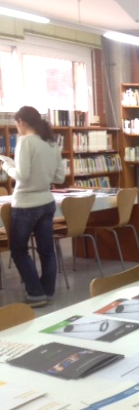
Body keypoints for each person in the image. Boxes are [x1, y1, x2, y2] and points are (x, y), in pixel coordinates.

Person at [2, 106, 65, 307]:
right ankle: (47, 292)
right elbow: (59, 176)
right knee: (46, 251)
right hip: (47, 202)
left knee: (19, 250)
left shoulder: (25, 141)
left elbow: (22, 175)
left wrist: (6, 165)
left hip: (26, 204)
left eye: (16, 124)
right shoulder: (50, 142)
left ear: (21, 121)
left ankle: (35, 293)